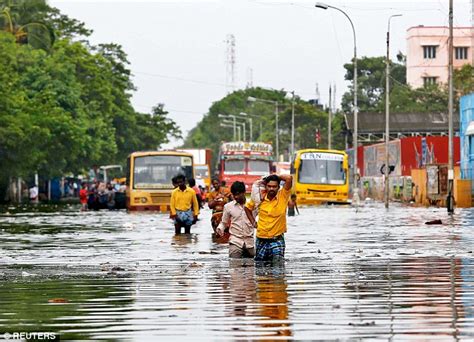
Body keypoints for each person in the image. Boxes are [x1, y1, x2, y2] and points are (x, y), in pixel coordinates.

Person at [245, 174, 293, 263]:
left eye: (274, 186)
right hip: (261, 239)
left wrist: (273, 176)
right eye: (269, 186)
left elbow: (289, 178)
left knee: (277, 265)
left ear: (278, 187)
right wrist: (253, 222)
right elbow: (247, 208)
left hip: (277, 239)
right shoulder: (259, 198)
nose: (271, 189)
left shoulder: (283, 195)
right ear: (265, 186)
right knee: (260, 268)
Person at [216, 181, 255, 258]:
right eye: (234, 195)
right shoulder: (228, 207)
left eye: (238, 194)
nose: (236, 197)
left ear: (244, 192)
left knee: (252, 267)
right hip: (235, 241)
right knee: (235, 265)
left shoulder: (253, 206)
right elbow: (224, 223)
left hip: (250, 242)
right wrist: (220, 228)